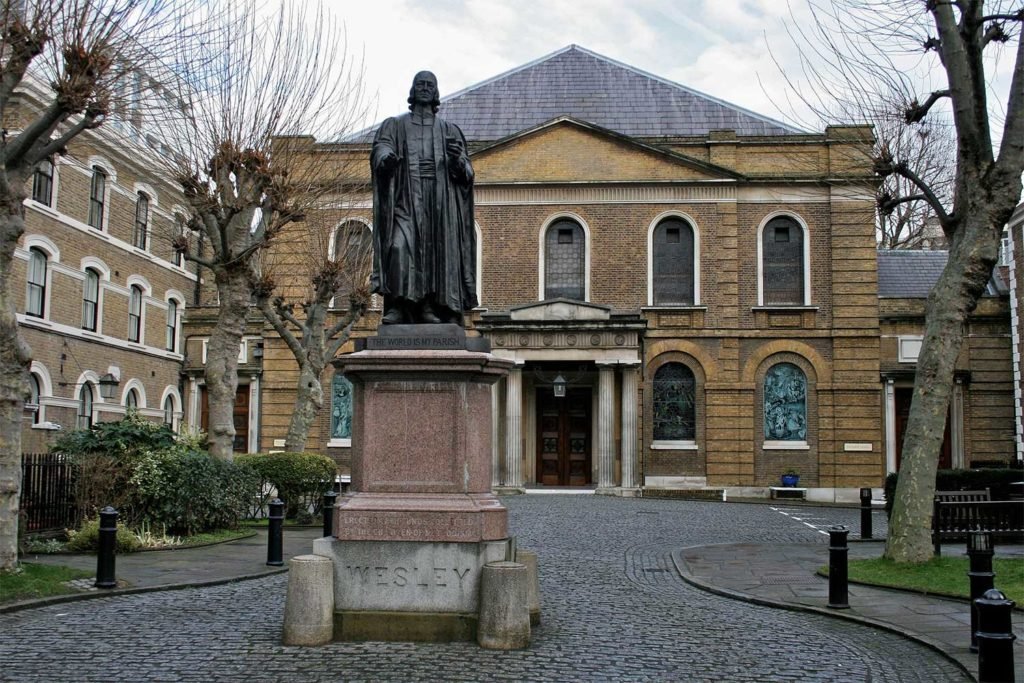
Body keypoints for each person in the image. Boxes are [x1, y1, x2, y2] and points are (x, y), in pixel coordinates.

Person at [370, 71, 477, 325]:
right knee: (399, 246)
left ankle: (429, 306)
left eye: (430, 85)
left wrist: (458, 160)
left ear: (436, 92)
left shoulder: (449, 130)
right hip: (407, 197)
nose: (425, 88)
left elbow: (468, 173)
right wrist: (385, 158)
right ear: (412, 89)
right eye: (420, 84)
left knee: (436, 253)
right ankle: (399, 305)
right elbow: (381, 147)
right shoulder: (395, 125)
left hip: (439, 201)